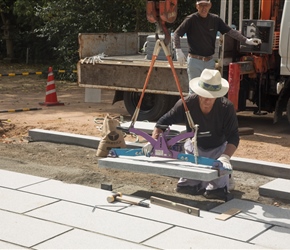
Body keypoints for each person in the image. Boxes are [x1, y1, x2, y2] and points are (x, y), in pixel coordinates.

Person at [143, 68, 239, 199]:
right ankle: (203, 179)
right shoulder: (187, 104)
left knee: (216, 192)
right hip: (193, 148)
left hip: (217, 150)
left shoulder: (226, 108)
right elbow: (162, 123)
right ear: (198, 92)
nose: (207, 100)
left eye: (211, 96)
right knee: (186, 188)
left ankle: (226, 177)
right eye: (204, 95)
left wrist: (225, 157)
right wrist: (153, 141)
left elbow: (233, 136)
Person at [174, 0, 261, 93]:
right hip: (195, 62)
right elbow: (176, 33)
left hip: (209, 62)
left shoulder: (215, 19)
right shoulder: (191, 19)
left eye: (206, 5)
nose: (204, 8)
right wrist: (178, 50)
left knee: (209, 92)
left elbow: (230, 31)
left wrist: (246, 40)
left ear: (210, 6)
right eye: (201, 5)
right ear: (197, 6)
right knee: (194, 91)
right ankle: (192, 108)